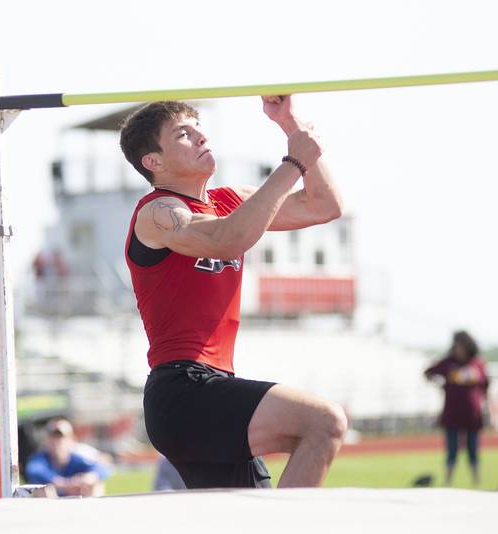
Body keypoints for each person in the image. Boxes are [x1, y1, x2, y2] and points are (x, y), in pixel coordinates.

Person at [119, 96, 347, 489]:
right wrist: (293, 164)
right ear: (153, 162)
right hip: (183, 392)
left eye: (199, 127)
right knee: (324, 421)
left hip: (210, 386)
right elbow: (227, 238)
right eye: (184, 134)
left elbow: (322, 206)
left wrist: (290, 124)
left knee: (244, 519)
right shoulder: (157, 213)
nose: (201, 136)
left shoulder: (230, 201)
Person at [424, 331, 489, 486]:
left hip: (472, 413)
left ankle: (477, 481)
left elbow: (486, 384)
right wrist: (441, 385)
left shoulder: (477, 363)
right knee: (451, 450)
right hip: (452, 412)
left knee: (473, 449)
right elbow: (428, 373)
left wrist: (483, 402)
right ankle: (448, 481)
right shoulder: (448, 363)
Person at [25, 418, 110, 497]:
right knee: (44, 489)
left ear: (72, 440)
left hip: (77, 499)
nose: (57, 442)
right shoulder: (40, 459)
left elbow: (102, 468)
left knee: (96, 484)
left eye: (62, 437)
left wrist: (88, 477)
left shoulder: (77, 458)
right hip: (52, 502)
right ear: (47, 440)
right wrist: (63, 484)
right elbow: (34, 471)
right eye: (53, 437)